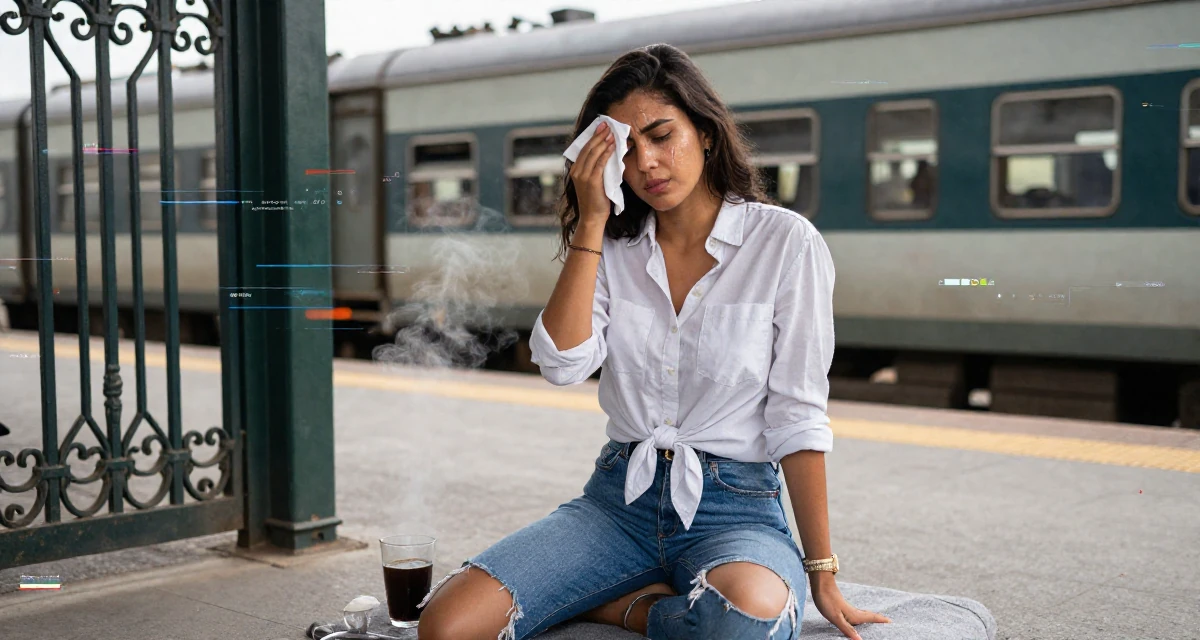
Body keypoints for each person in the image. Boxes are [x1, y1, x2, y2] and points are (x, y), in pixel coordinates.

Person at [417, 44, 889, 640]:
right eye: (626, 151)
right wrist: (590, 221)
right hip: (618, 503)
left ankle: (618, 605)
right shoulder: (610, 248)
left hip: (735, 508)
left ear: (707, 132)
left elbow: (798, 414)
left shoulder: (786, 244)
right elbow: (562, 364)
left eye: (663, 136)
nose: (648, 163)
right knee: (446, 627)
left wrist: (821, 572)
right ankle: (632, 604)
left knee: (747, 620)